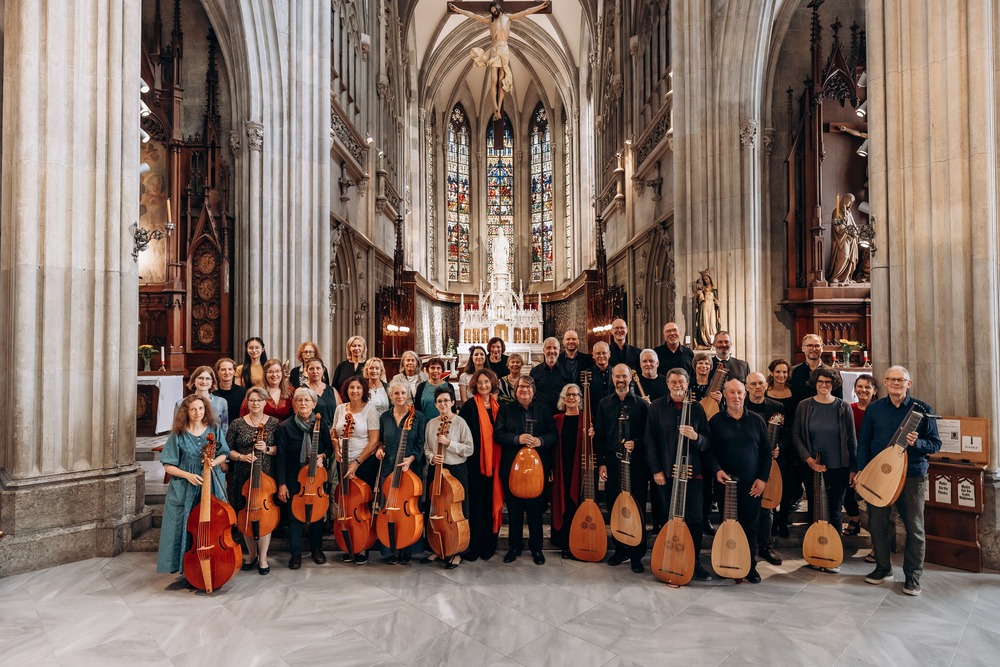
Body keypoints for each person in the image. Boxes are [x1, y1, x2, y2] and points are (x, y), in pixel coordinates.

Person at [857, 366, 941, 596]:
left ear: (908, 384)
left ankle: (912, 576)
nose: (896, 383)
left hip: (912, 475)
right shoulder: (874, 409)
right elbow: (864, 442)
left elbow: (935, 444)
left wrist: (917, 443)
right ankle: (883, 568)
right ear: (884, 382)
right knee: (877, 523)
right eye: (891, 379)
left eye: (900, 380)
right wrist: (862, 469)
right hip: (879, 475)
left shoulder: (922, 410)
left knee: (915, 528)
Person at [644, 368, 712, 581]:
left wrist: (696, 436)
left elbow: (708, 441)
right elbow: (650, 441)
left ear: (687, 383)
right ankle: (668, 557)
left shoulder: (697, 408)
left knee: (695, 519)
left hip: (693, 474)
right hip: (666, 473)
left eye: (681, 382)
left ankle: (694, 561)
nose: (677, 386)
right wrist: (656, 470)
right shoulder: (656, 407)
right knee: (668, 518)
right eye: (673, 382)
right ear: (667, 384)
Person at [704, 379, 771, 584]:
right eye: (732, 392)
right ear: (725, 395)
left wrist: (762, 479)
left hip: (751, 485)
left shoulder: (757, 420)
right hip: (725, 485)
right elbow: (708, 451)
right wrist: (717, 470)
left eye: (739, 392)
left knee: (751, 526)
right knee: (728, 526)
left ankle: (749, 566)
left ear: (745, 394)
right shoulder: (716, 421)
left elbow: (766, 453)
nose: (736, 396)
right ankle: (726, 562)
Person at [156, 395, 231, 576]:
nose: (197, 412)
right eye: (193, 409)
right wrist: (187, 475)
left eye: (201, 408)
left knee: (210, 526)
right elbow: (168, 465)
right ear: (186, 412)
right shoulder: (178, 434)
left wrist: (214, 462)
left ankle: (211, 565)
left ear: (206, 410)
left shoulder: (214, 429)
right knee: (181, 526)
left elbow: (224, 453)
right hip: (184, 486)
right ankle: (186, 568)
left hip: (210, 484)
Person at [791, 367, 856, 574]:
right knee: (815, 509)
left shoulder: (843, 407)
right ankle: (814, 552)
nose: (824, 385)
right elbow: (796, 435)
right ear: (815, 383)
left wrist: (854, 468)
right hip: (812, 466)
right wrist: (808, 459)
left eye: (828, 382)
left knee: (835, 511)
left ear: (833, 384)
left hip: (839, 466)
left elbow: (852, 440)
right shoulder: (805, 405)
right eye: (820, 382)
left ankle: (833, 555)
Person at [448, 1, 552, 121]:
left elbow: (526, 12)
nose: (494, 12)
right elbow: (473, 15)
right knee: (493, 80)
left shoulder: (508, 18)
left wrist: (541, 6)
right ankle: (495, 108)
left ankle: (498, 107)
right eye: (492, 11)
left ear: (498, 7)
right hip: (495, 49)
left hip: (504, 49)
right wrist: (457, 9)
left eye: (494, 10)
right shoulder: (490, 21)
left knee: (502, 81)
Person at [595, 364, 650, 573]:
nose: (620, 380)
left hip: (636, 463)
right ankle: (620, 549)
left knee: (637, 507)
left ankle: (637, 554)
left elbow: (649, 434)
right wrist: (601, 462)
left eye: (624, 376)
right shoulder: (604, 404)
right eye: (617, 376)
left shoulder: (641, 405)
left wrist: (636, 442)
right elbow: (600, 434)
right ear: (612, 377)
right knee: (615, 506)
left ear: (630, 378)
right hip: (612, 461)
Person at [495, 376, 555, 565]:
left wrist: (540, 441)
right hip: (513, 468)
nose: (524, 390)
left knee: (536, 512)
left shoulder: (544, 410)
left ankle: (536, 548)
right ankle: (514, 547)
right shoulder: (506, 409)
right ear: (515, 390)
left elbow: (553, 435)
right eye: (521, 386)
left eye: (528, 387)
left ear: (533, 390)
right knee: (514, 511)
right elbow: (498, 434)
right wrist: (517, 439)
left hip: (537, 470)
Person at [275, 387, 332, 569]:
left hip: (316, 476)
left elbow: (329, 449)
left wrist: (322, 456)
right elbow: (281, 457)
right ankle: (296, 553)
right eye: (299, 400)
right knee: (294, 516)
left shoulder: (321, 424)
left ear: (314, 404)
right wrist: (282, 484)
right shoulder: (285, 427)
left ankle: (317, 549)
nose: (303, 403)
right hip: (294, 477)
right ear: (294, 404)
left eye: (307, 400)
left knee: (317, 513)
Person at [225, 386, 280, 575]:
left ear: (265, 402)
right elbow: (227, 450)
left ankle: (263, 557)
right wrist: (242, 457)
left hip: (266, 476)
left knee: (264, 515)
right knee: (245, 514)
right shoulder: (237, 424)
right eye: (252, 400)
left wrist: (267, 449)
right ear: (247, 403)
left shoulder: (274, 423)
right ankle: (251, 554)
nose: (255, 403)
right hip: (242, 475)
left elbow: (281, 449)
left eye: (259, 400)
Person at [376, 379, 428, 563]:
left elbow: (421, 443)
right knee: (388, 507)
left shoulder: (418, 417)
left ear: (408, 395)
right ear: (391, 396)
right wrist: (380, 449)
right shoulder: (385, 417)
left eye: (403, 393)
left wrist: (411, 458)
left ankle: (408, 548)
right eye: (396, 393)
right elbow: (381, 440)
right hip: (388, 469)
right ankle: (389, 548)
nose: (399, 396)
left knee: (409, 508)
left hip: (410, 469)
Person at [422, 385, 474, 568]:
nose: (442, 404)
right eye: (439, 401)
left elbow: (469, 449)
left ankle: (457, 551)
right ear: (435, 404)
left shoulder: (460, 422)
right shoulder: (431, 424)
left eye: (446, 400)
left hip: (455, 470)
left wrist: (449, 443)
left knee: (457, 511)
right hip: (437, 469)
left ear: (452, 402)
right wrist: (431, 457)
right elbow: (426, 448)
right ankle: (437, 547)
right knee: (436, 508)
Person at [332, 375, 381, 564]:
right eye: (351, 387)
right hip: (342, 461)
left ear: (364, 391)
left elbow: (374, 441)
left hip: (364, 462)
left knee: (362, 506)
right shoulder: (340, 409)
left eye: (358, 388)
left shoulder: (370, 410)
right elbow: (334, 433)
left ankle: (363, 545)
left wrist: (356, 463)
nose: (355, 391)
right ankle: (348, 542)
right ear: (346, 390)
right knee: (346, 503)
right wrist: (336, 448)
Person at [457, 368, 504, 561]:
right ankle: (474, 547)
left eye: (486, 382)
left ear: (492, 383)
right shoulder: (469, 407)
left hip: (495, 464)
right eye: (480, 382)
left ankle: (489, 545)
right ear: (474, 385)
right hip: (475, 465)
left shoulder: (499, 406)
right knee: (477, 506)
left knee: (491, 503)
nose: (483, 385)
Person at [745, 372, 784, 567]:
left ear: (766, 386)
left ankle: (766, 547)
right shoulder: (740, 406)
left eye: (760, 383)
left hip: (770, 465)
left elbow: (786, 434)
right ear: (746, 387)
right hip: (746, 463)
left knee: (768, 507)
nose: (757, 387)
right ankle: (747, 548)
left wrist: (779, 447)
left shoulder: (777, 407)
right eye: (753, 384)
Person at [766, 358, 799, 538]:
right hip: (768, 444)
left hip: (789, 443)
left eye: (784, 372)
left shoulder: (794, 392)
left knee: (787, 484)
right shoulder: (765, 392)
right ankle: (771, 520)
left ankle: (783, 520)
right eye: (778, 372)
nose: (781, 375)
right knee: (770, 483)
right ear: (772, 373)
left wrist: (783, 445)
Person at [551, 384, 584, 558]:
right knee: (562, 502)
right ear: (563, 399)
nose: (571, 398)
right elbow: (551, 446)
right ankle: (564, 544)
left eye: (575, 395)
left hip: (580, 469)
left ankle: (579, 542)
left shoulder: (588, 419)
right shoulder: (556, 419)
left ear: (580, 398)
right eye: (568, 395)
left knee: (576, 504)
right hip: (561, 467)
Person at [843, 374, 877, 539]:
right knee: (847, 490)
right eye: (860, 386)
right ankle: (854, 518)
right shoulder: (848, 408)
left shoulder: (879, 410)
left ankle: (875, 532)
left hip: (873, 458)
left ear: (874, 391)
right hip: (851, 456)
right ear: (854, 389)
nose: (863, 390)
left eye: (867, 387)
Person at [789, 334, 843, 405]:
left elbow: (838, 400)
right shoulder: (793, 371)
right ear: (803, 348)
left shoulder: (833, 372)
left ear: (822, 348)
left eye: (817, 346)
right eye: (810, 345)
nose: (814, 349)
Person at [177, 365, 230, 432]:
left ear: (212, 382)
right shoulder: (180, 403)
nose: (204, 381)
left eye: (208, 379)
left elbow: (224, 429)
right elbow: (178, 429)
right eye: (200, 378)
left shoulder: (221, 402)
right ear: (194, 381)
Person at [529, 337, 571, 413]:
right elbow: (531, 393)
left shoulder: (567, 370)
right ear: (543, 350)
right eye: (548, 348)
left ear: (559, 351)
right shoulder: (535, 371)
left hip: (561, 413)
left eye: (555, 348)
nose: (552, 351)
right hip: (540, 413)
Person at [828, 193, 859, 284]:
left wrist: (856, 231)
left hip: (851, 238)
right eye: (850, 201)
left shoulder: (849, 213)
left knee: (851, 258)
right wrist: (848, 229)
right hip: (842, 239)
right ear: (845, 200)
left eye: (852, 202)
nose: (850, 204)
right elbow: (837, 227)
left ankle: (847, 277)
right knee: (845, 256)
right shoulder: (837, 211)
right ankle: (836, 276)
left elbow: (853, 224)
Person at [304, 357, 338, 425]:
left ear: (323, 370)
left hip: (332, 430)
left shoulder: (333, 390)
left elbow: (340, 413)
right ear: (306, 371)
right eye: (311, 369)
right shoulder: (301, 391)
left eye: (318, 368)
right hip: (310, 430)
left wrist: (333, 429)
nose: (315, 371)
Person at [214, 358, 246, 426]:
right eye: (223, 369)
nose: (227, 372)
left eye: (230, 369)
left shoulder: (243, 392)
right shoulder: (212, 393)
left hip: (238, 428)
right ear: (218, 372)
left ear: (234, 372)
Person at [693, 269, 720, 348]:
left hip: (712, 307)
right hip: (704, 306)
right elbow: (698, 298)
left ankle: (713, 340)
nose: (706, 280)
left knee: (712, 323)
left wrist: (717, 303)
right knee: (705, 322)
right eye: (704, 279)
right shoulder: (703, 288)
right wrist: (699, 297)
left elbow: (716, 300)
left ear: (709, 278)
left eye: (707, 278)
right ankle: (706, 339)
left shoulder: (714, 290)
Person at [584, 341, 614, 414]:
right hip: (594, 415)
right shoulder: (586, 374)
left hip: (613, 414)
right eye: (598, 353)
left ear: (609, 354)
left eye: (604, 353)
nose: (601, 356)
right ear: (593, 355)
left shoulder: (616, 372)